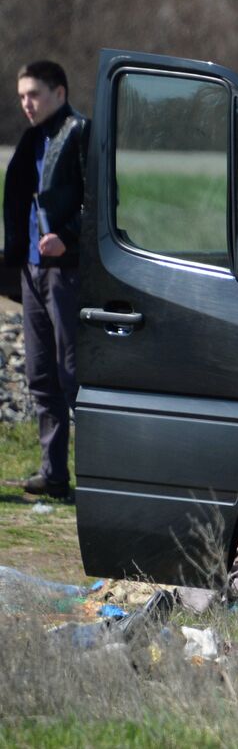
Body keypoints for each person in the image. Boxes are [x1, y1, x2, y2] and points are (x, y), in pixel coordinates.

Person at [4, 61, 89, 498]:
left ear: (59, 92)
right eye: (22, 96)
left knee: (73, 375)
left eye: (33, 94)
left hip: (66, 272)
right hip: (31, 271)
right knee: (41, 375)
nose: (26, 103)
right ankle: (53, 474)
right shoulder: (32, 138)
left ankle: (96, 478)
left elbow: (99, 202)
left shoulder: (79, 132)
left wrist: (67, 238)